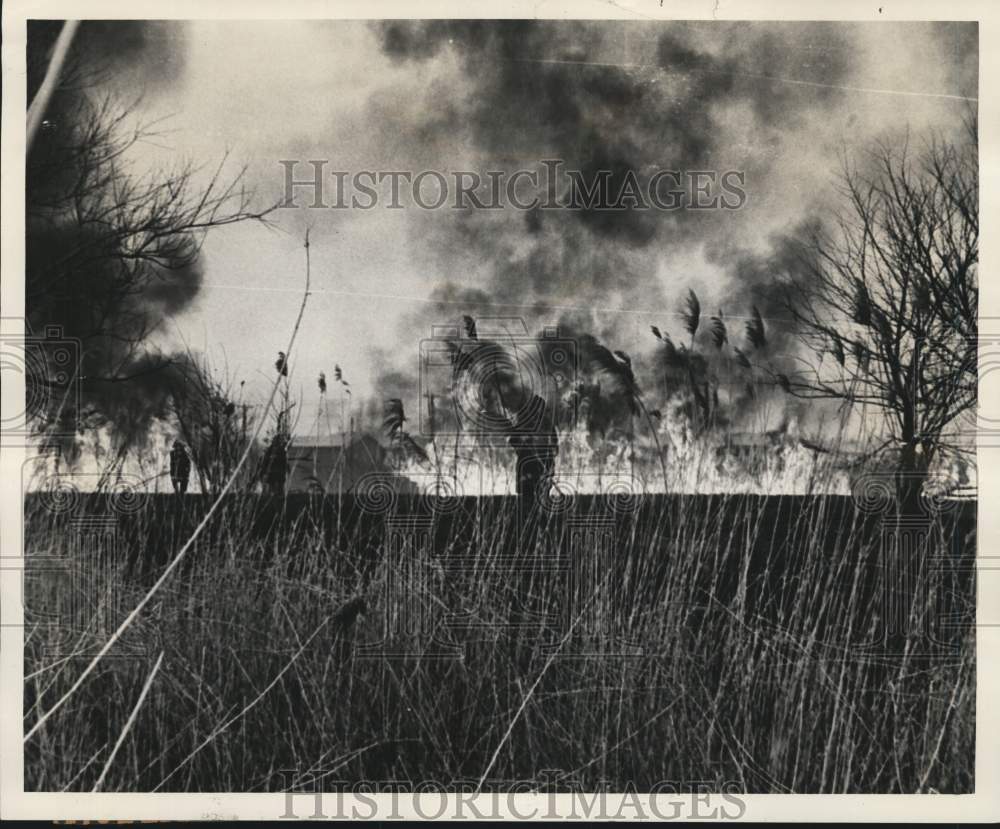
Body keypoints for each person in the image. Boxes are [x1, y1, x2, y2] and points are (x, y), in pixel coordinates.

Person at [503, 393, 558, 507]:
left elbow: (555, 447)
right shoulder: (524, 425)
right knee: (527, 498)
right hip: (528, 466)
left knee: (542, 497)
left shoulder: (547, 425)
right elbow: (514, 442)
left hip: (543, 464)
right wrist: (515, 436)